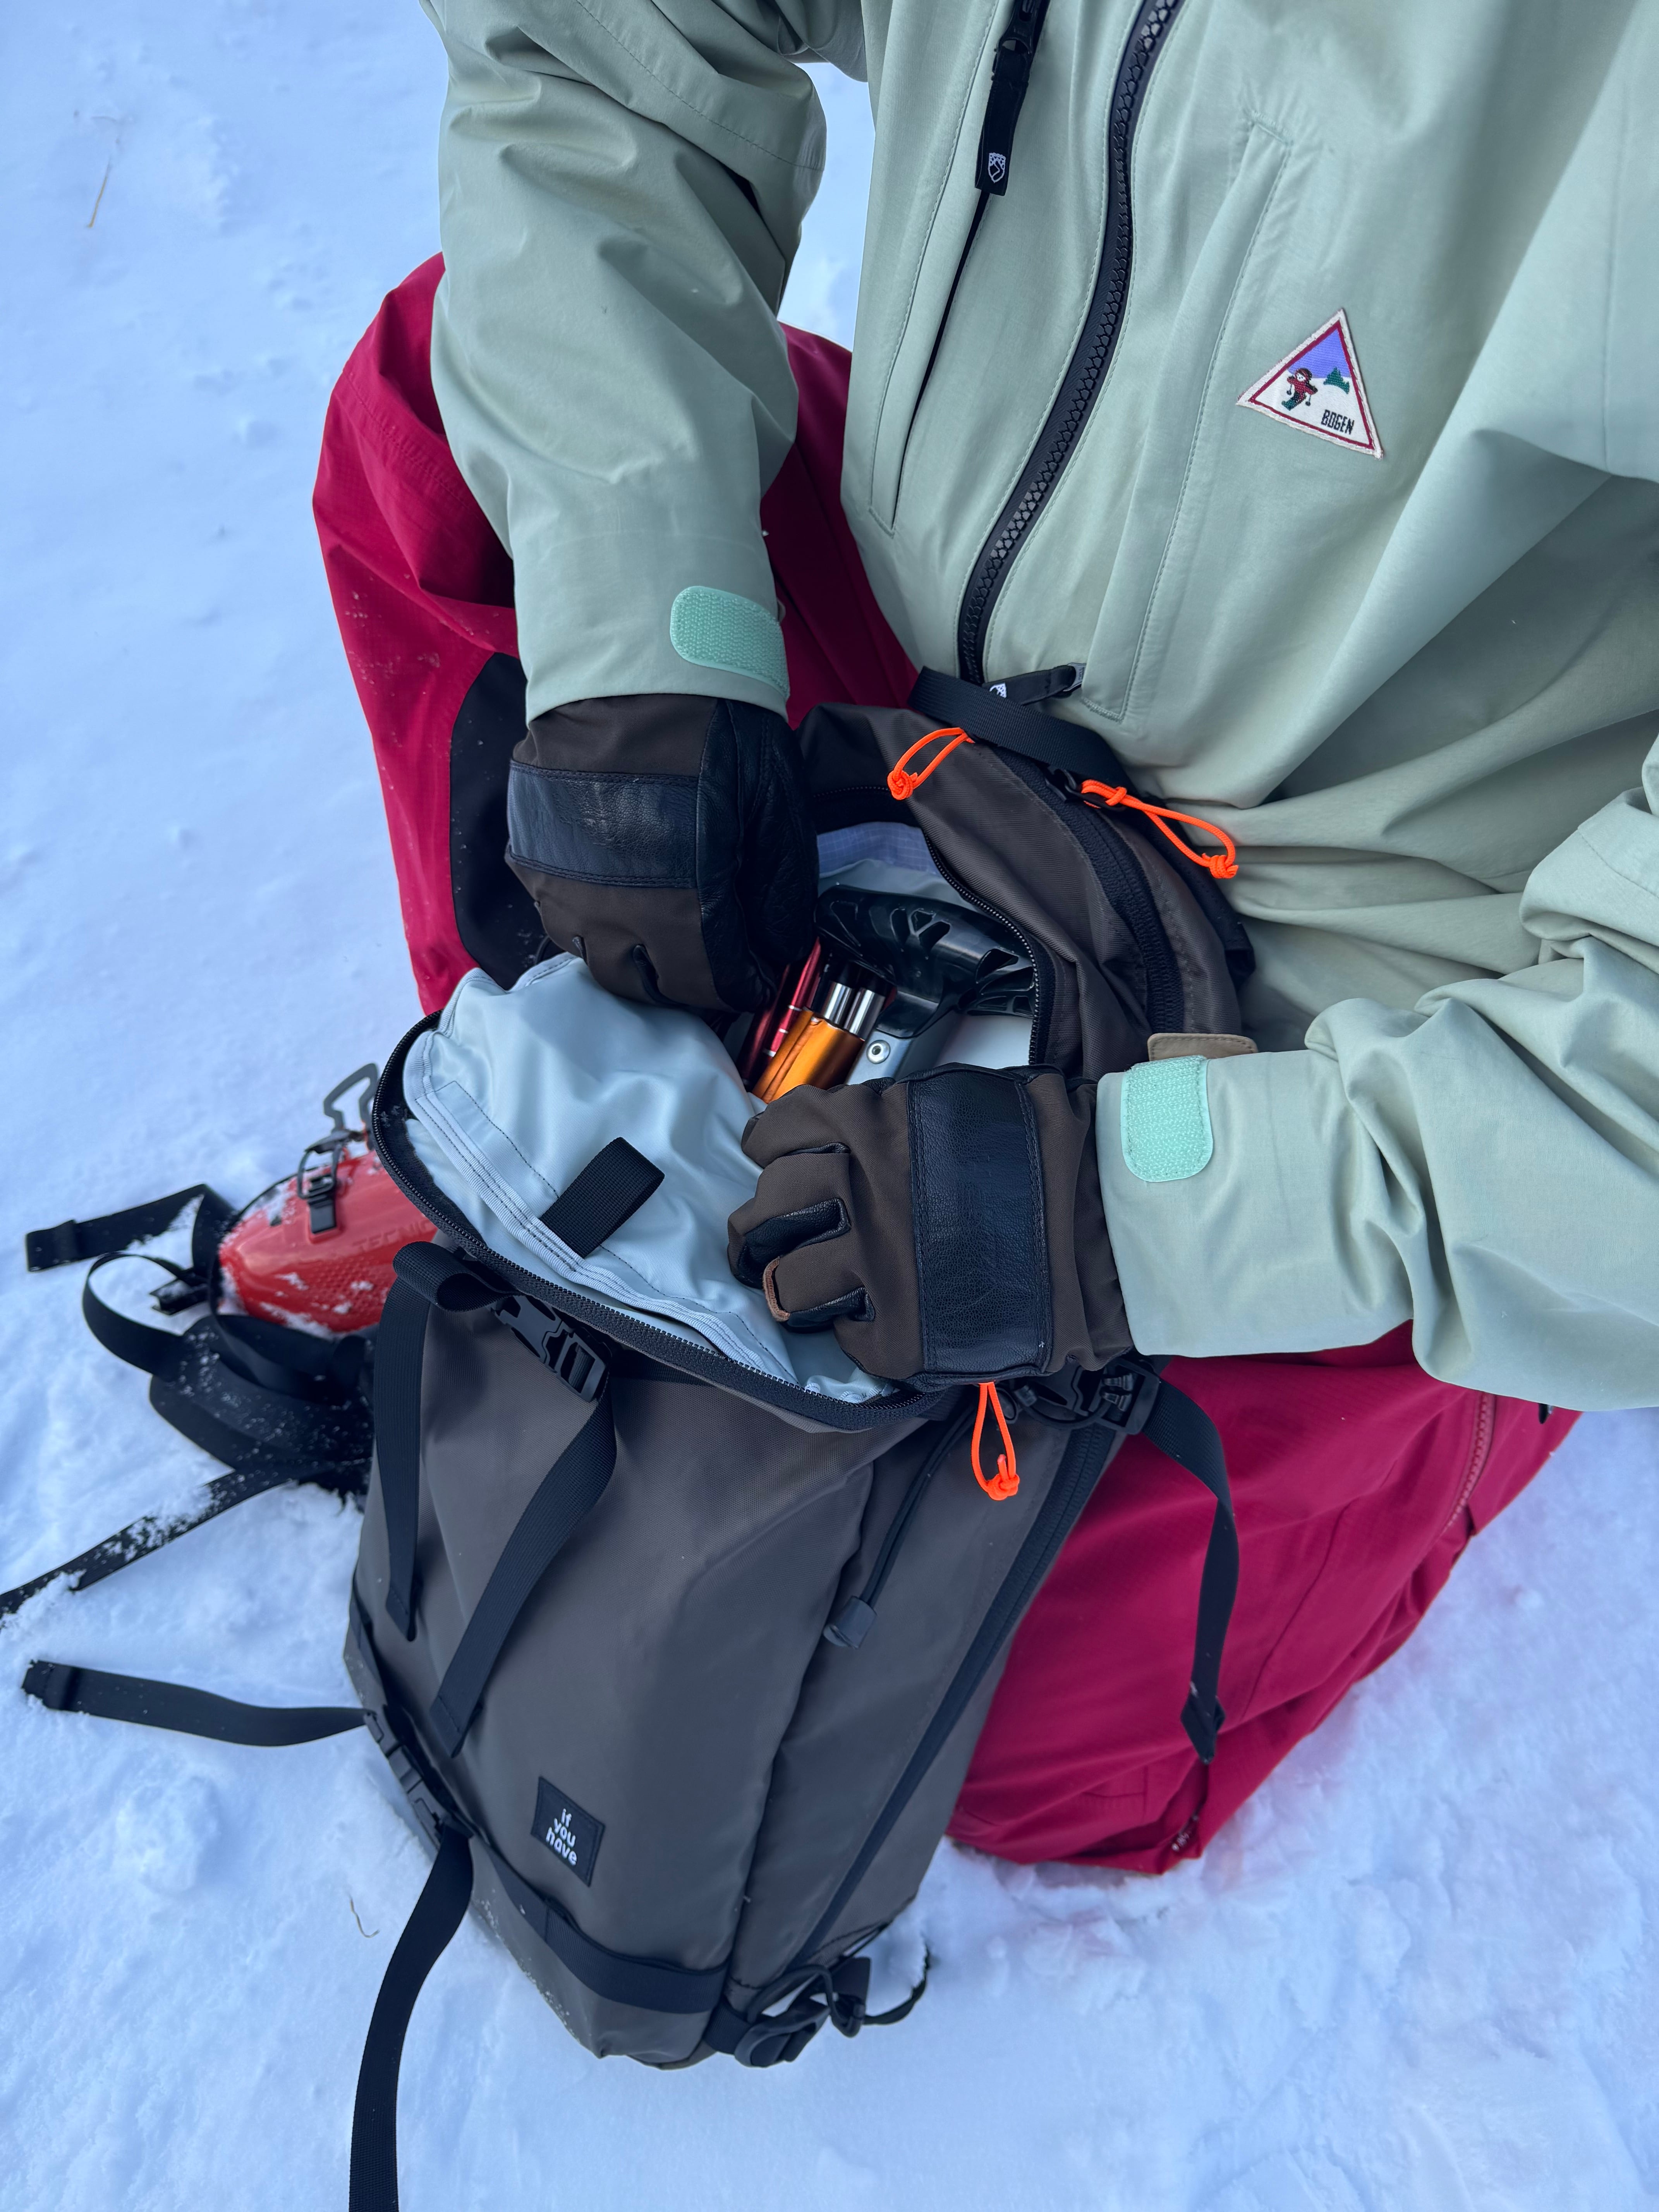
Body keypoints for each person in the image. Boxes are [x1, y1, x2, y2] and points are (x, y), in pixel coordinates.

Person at [316, 0, 1659, 1869]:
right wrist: (650, 657)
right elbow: (601, 53)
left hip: (1347, 969)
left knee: (960, 1712)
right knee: (460, 433)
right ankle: (567, 1180)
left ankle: (1499, 1329)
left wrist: (1118, 1218)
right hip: (934, 687)